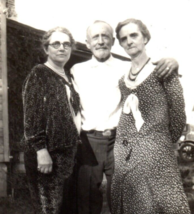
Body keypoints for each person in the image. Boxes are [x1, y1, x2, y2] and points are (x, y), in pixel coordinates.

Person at [71, 20, 180, 214]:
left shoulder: (126, 68)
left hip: (120, 142)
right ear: (87, 43)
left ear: (113, 41)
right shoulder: (76, 70)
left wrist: (172, 60)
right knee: (87, 200)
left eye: (105, 36)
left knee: (122, 198)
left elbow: (151, 69)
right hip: (89, 142)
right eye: (95, 37)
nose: (100, 41)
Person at [111, 18, 191, 214]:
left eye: (134, 35)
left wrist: (160, 141)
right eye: (124, 38)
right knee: (133, 202)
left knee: (162, 201)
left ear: (145, 37)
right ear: (120, 44)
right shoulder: (123, 79)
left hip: (156, 151)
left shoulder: (162, 70)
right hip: (125, 151)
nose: (129, 41)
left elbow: (178, 112)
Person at [22, 27, 81, 214]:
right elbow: (31, 116)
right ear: (46, 49)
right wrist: (41, 150)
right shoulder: (39, 74)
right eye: (56, 44)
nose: (62, 48)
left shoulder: (68, 76)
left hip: (67, 155)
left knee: (65, 208)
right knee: (48, 208)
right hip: (48, 156)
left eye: (66, 44)